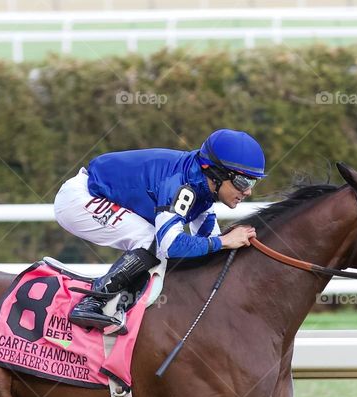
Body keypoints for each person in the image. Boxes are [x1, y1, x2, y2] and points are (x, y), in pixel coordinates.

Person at [54, 128, 265, 330]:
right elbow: (171, 246)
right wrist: (224, 241)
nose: (247, 192)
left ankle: (121, 306)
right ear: (217, 174)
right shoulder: (182, 186)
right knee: (151, 240)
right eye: (242, 181)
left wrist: (223, 243)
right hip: (80, 198)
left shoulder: (204, 189)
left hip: (97, 193)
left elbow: (209, 244)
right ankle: (91, 302)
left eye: (252, 182)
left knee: (165, 246)